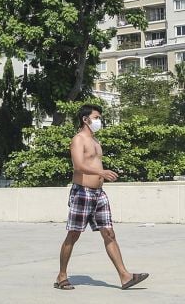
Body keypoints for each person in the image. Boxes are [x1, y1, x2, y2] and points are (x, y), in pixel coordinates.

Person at [53, 104, 149, 292]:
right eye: (96, 117)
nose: (99, 121)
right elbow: (79, 166)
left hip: (99, 193)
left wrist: (102, 175)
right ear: (85, 119)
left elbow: (94, 164)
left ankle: (125, 276)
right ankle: (61, 276)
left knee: (109, 233)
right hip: (82, 192)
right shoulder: (78, 140)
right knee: (73, 234)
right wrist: (101, 171)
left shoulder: (96, 142)